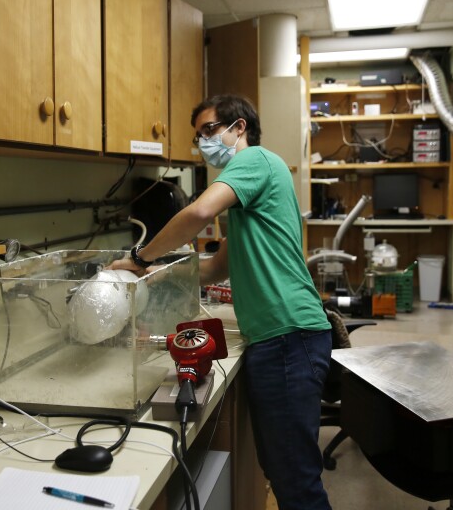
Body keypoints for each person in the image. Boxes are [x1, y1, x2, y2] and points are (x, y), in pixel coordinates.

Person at [111, 94, 332, 510]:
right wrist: (152, 275)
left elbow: (197, 214)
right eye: (198, 136)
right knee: (284, 470)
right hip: (280, 336)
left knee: (297, 483)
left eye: (209, 129)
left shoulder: (253, 160)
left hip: (288, 335)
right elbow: (216, 268)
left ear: (239, 127)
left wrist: (140, 256)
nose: (204, 142)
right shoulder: (249, 195)